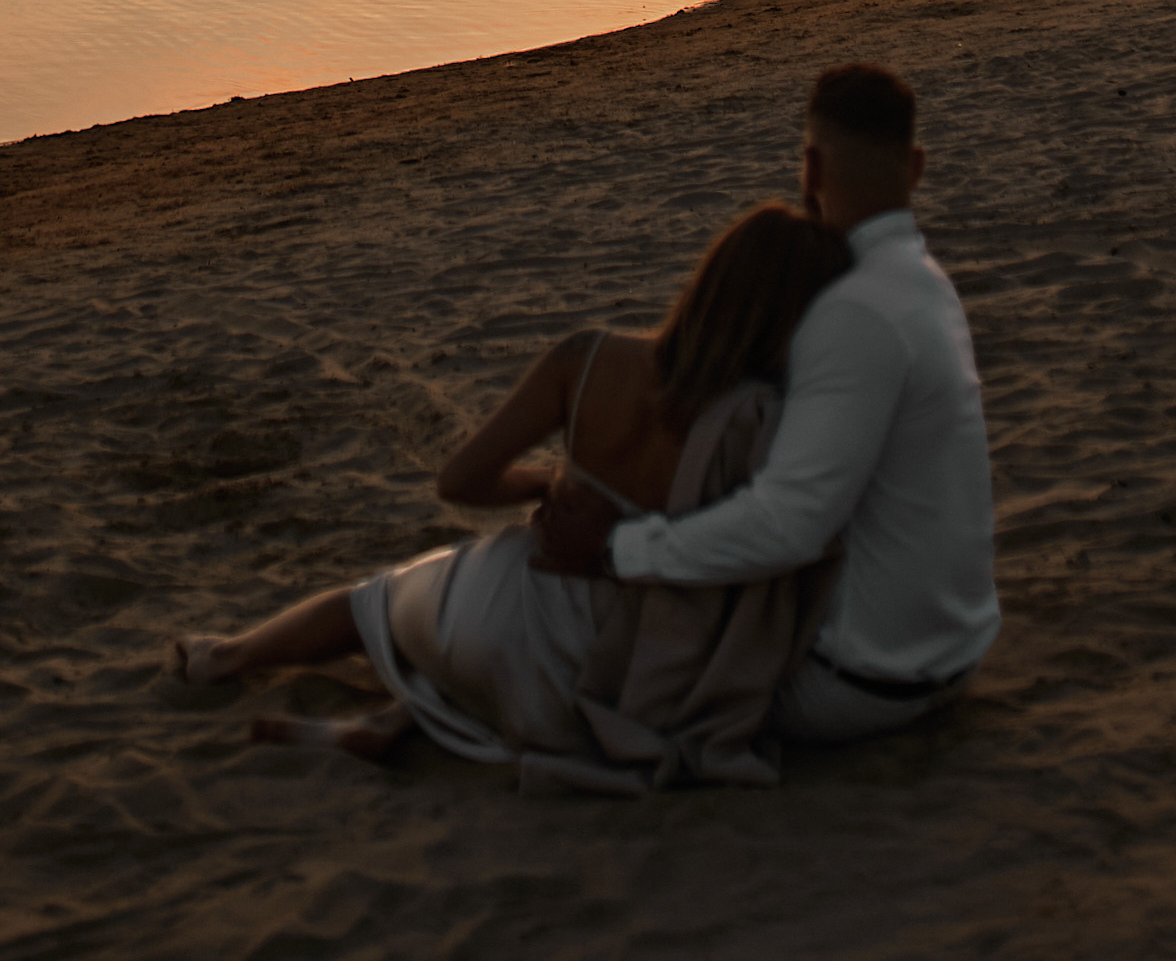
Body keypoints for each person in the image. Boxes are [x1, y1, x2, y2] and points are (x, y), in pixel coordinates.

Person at [173, 202, 851, 788]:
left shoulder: (587, 357)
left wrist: (550, 480)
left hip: (513, 618)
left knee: (375, 601)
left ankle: (227, 657)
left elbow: (460, 481)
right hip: (627, 676)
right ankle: (394, 719)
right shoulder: (764, 419)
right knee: (473, 644)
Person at [535, 61, 999, 744]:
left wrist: (613, 548)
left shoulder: (852, 312)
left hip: (865, 683)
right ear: (916, 169)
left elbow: (788, 524)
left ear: (810, 171)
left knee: (560, 640)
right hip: (954, 649)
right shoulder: (926, 285)